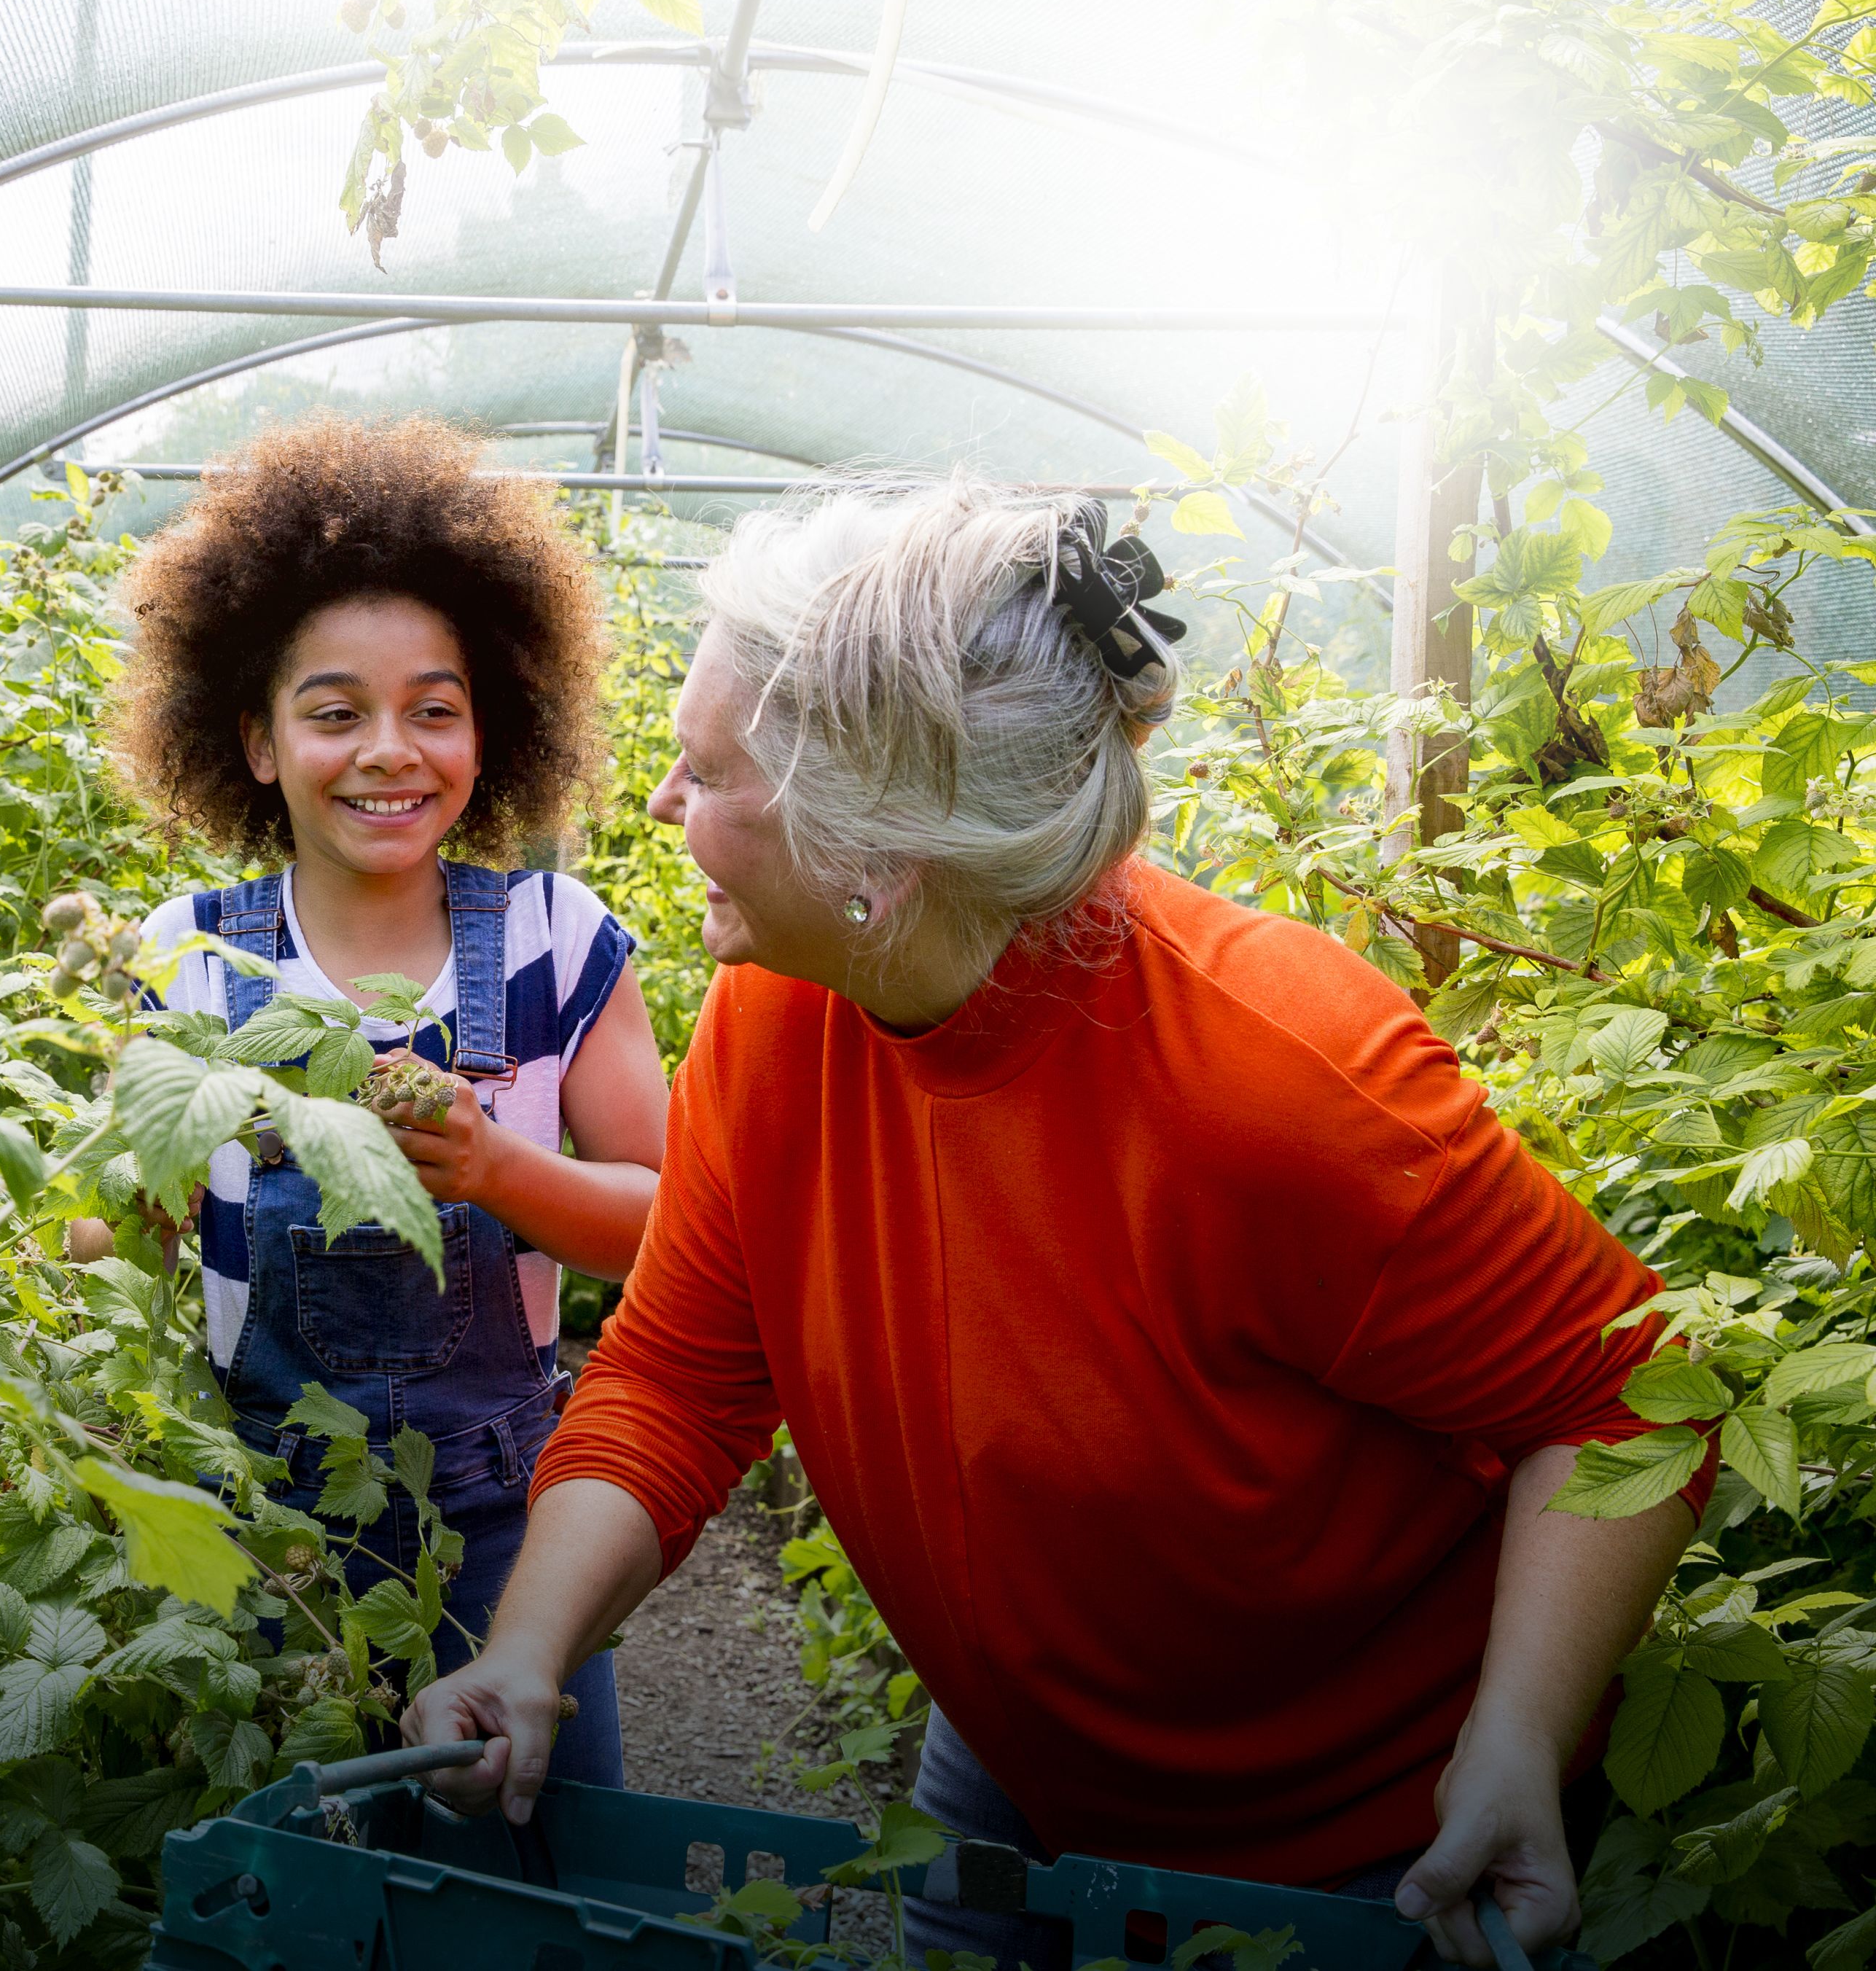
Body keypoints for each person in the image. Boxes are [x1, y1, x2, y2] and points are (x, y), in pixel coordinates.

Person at [401, 475, 1711, 1967]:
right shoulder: (777, 1023)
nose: (659, 805)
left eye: (704, 773)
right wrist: (525, 1654)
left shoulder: (1281, 1082)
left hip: (1357, 1852)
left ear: (873, 861)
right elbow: (677, 1377)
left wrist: (1513, 1750)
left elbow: (1627, 1401)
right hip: (1011, 1774)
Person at [112, 414, 670, 1785]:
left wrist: (497, 1172)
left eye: (434, 708)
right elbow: (111, 1249)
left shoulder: (558, 940)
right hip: (261, 1530)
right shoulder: (192, 956)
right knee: (299, 1870)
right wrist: (134, 1202)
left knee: (535, 1859)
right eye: (335, 712)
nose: (389, 751)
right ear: (253, 740)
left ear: (493, 729)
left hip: (505, 1529)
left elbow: (669, 1227)